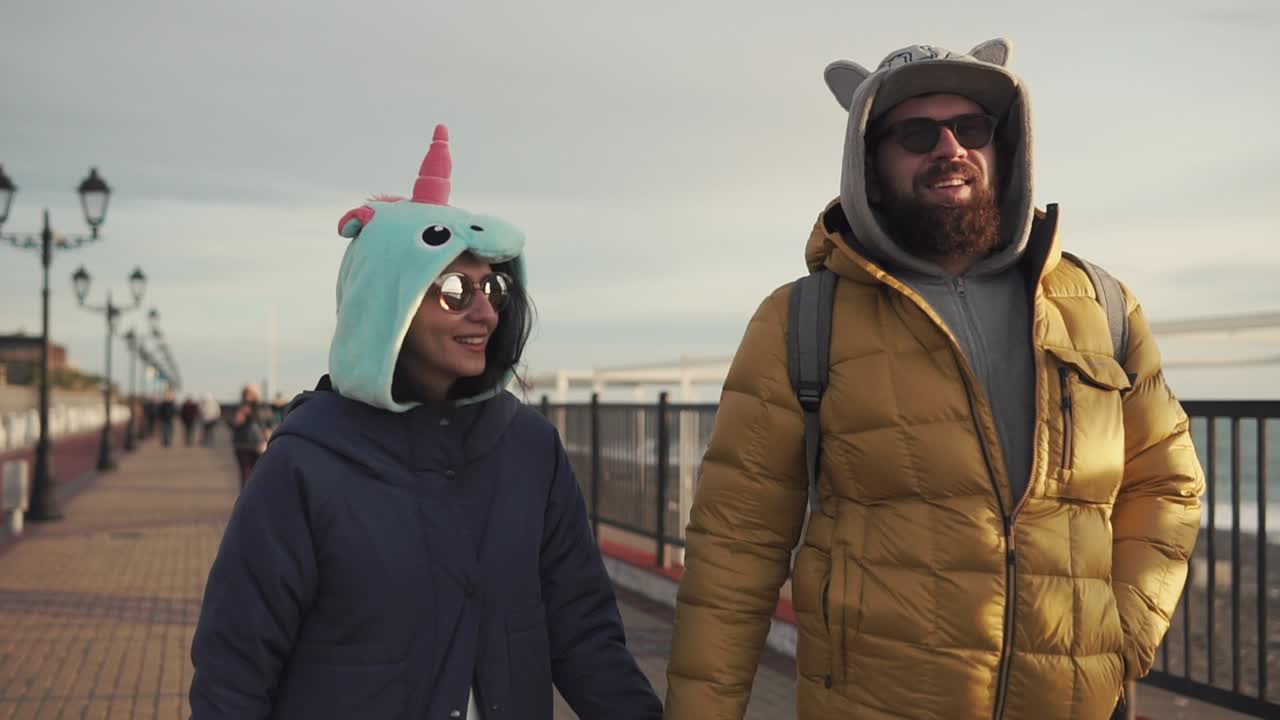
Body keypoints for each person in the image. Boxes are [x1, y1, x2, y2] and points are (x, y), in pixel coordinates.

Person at [664, 39, 1205, 720]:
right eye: (917, 134)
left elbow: (1168, 484)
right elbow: (734, 550)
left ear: (1003, 146)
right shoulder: (800, 321)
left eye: (971, 128)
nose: (950, 148)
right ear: (870, 162)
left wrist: (1123, 635)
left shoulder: (1101, 306)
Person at [190, 125, 662, 720]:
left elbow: (584, 634)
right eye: (455, 289)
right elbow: (234, 672)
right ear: (388, 304)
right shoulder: (304, 464)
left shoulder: (529, 450)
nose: (486, 311)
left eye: (492, 286)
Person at [228, 384, 271, 489]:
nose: (248, 396)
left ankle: (254, 496)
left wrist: (269, 440)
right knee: (245, 472)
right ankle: (245, 499)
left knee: (258, 472)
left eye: (250, 393)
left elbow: (267, 424)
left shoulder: (262, 407)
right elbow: (233, 423)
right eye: (246, 393)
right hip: (242, 443)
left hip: (258, 443)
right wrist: (239, 417)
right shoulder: (239, 407)